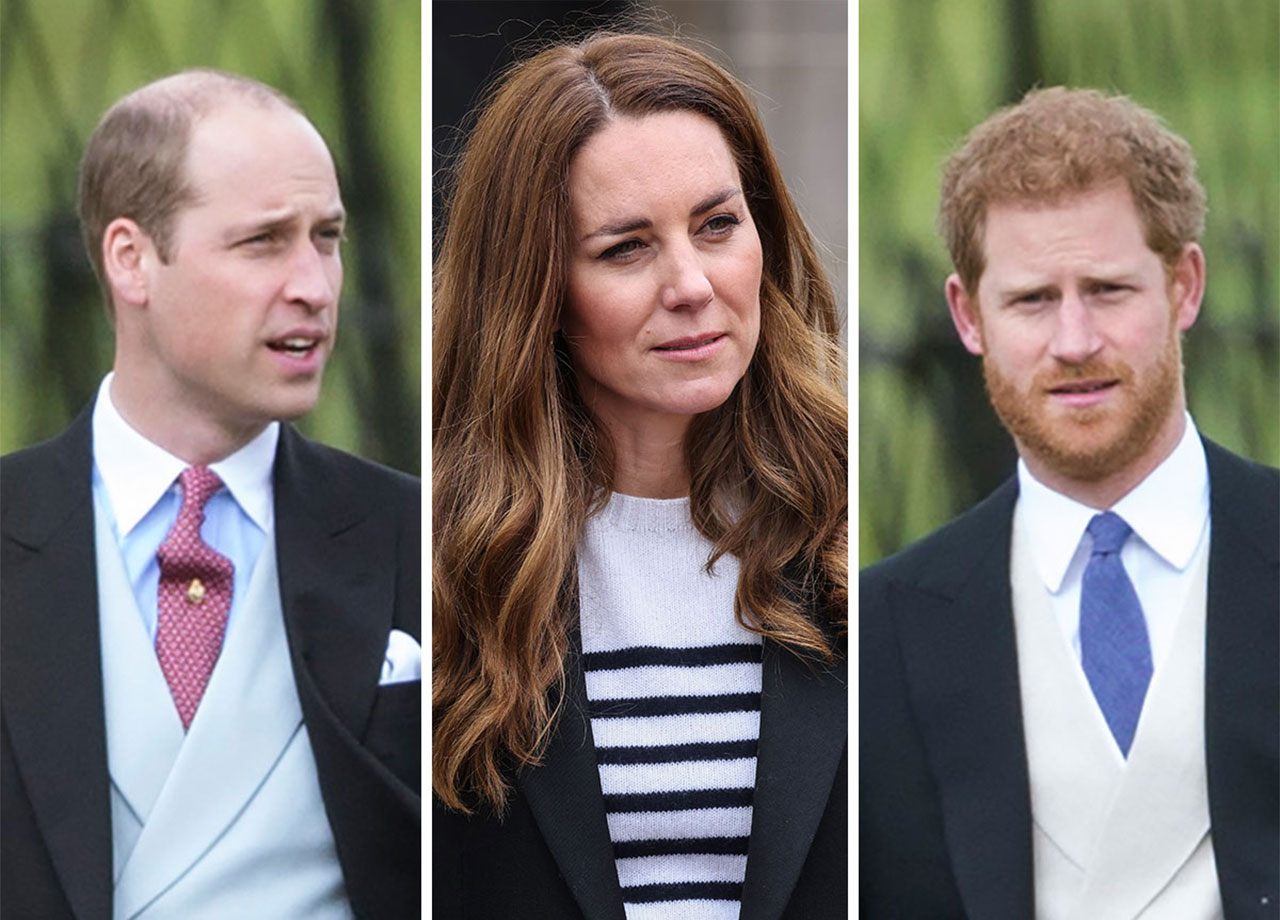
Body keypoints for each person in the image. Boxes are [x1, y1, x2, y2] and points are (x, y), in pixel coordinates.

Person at [433, 32, 848, 920]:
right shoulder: (442, 562)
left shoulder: (850, 525)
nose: (692, 284)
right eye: (626, 248)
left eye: (718, 225)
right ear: (536, 290)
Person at [0, 70, 420, 919]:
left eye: (327, 237)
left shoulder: (421, 534)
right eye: (263, 241)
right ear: (132, 260)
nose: (316, 284)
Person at [860, 87, 1279, 918]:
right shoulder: (880, 633)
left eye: (1109, 290)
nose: (1075, 342)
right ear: (967, 315)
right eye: (1032, 300)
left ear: (1184, 286)